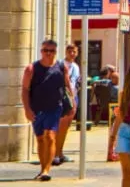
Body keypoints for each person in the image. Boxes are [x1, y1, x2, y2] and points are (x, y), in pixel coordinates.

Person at [21, 39, 74, 182]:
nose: (49, 54)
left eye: (52, 51)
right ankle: (42, 168)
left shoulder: (62, 67)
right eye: (46, 50)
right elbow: (25, 90)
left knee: (50, 136)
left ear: (56, 52)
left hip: (55, 107)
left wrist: (73, 104)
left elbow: (68, 87)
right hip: (36, 108)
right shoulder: (31, 69)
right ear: (41, 51)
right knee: (40, 139)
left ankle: (46, 170)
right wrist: (27, 109)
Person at [54, 41, 80, 167]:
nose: (72, 54)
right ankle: (55, 154)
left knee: (66, 128)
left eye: (74, 51)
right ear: (66, 52)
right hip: (65, 98)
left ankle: (60, 152)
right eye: (70, 51)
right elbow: (66, 81)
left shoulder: (76, 66)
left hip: (73, 97)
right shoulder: (61, 64)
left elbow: (75, 82)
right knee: (60, 127)